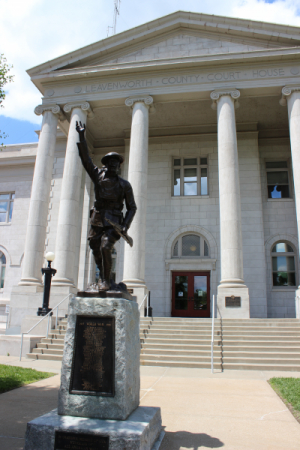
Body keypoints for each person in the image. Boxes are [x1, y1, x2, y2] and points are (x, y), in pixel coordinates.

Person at [76, 121, 137, 291]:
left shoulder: (125, 185)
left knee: (106, 246)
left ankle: (105, 281)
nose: (114, 166)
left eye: (117, 163)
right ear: (107, 164)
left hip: (114, 221)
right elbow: (85, 159)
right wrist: (81, 135)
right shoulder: (97, 176)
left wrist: (125, 225)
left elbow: (132, 207)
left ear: (119, 166)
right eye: (111, 163)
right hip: (97, 218)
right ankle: (105, 278)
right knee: (95, 248)